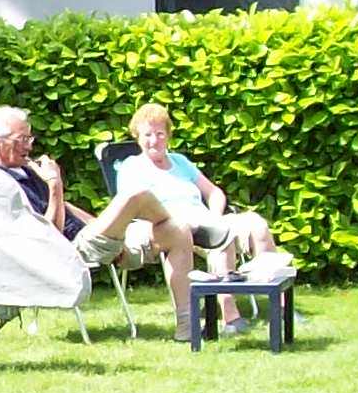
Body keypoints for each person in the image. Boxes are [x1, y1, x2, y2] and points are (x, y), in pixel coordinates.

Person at [0, 106, 197, 365]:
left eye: (29, 138)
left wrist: (105, 226)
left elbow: (66, 208)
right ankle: (134, 245)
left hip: (89, 236)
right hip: (66, 249)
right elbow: (49, 234)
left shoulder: (26, 170)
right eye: (21, 139)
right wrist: (54, 184)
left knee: (179, 230)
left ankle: (186, 325)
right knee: (136, 195)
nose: (28, 146)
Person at [111, 102, 276, 329]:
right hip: (172, 227)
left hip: (206, 218)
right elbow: (133, 207)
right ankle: (231, 316)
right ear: (137, 137)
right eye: (147, 134)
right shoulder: (132, 167)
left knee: (257, 225)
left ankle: (281, 306)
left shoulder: (180, 161)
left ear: (168, 136)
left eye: (160, 134)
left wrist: (215, 215)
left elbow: (214, 192)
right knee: (221, 238)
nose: (154, 140)